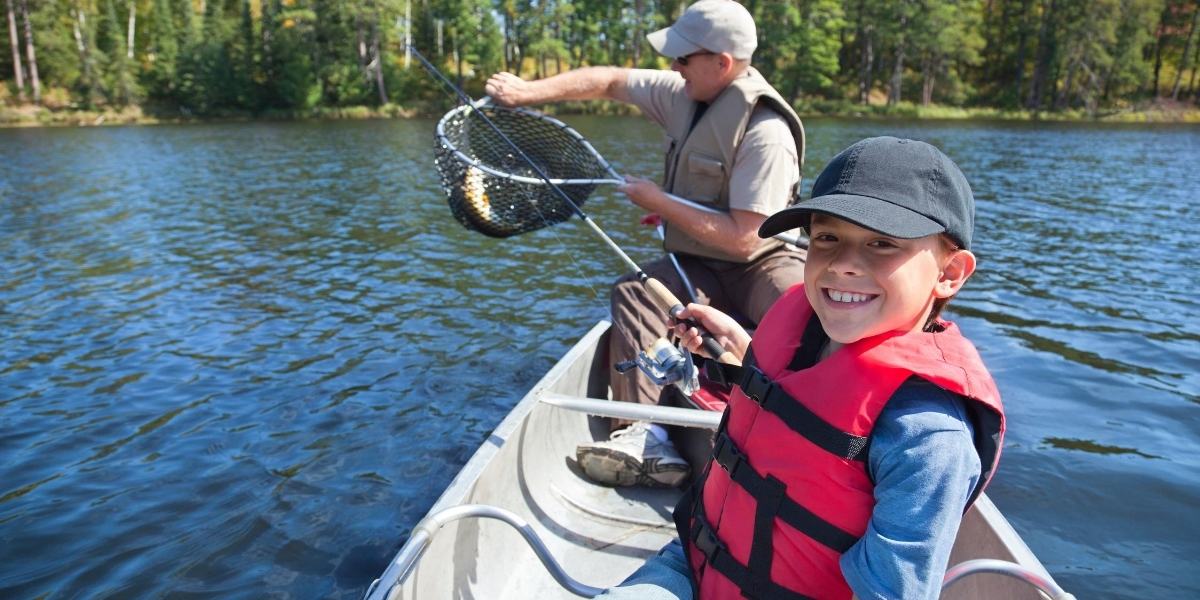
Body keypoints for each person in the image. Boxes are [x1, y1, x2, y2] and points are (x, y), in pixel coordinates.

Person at [597, 136, 1007, 599]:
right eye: (827, 237)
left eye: (882, 244)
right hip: (692, 562)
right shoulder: (804, 331)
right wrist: (740, 352)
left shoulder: (929, 439)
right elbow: (793, 411)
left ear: (949, 273)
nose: (844, 264)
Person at [486, 0, 807, 488]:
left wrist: (660, 200)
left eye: (683, 58)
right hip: (697, 262)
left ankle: (816, 429)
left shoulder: (767, 133)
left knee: (803, 310)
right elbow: (611, 80)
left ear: (721, 63)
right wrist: (527, 93)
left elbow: (746, 239)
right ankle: (643, 434)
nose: (672, 67)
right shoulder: (683, 91)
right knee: (635, 291)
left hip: (764, 259)